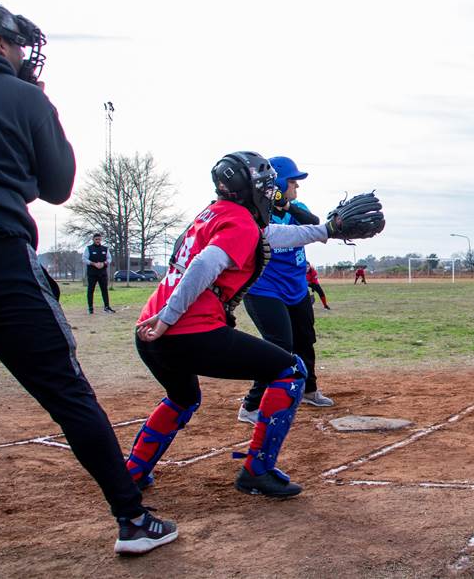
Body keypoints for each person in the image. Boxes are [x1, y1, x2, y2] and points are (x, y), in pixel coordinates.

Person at [0, 2, 176, 554]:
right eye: (17, 45)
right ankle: (132, 520)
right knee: (67, 392)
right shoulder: (21, 96)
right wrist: (33, 105)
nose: (22, 54)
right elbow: (57, 185)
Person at [127, 151, 382, 500]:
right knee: (291, 370)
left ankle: (134, 471)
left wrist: (326, 231)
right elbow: (205, 264)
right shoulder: (240, 222)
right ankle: (256, 470)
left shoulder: (213, 214)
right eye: (264, 187)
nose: (269, 193)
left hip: (152, 331)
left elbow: (271, 235)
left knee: (183, 397)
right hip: (185, 330)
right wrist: (169, 318)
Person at [238, 156, 335, 421]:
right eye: (292, 183)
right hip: (265, 290)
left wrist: (287, 204)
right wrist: (272, 204)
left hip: (297, 288)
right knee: (279, 346)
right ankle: (250, 406)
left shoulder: (296, 208)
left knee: (305, 342)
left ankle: (308, 390)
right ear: (278, 184)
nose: (297, 187)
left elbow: (314, 222)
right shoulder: (256, 213)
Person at [85, 232, 115, 314]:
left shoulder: (105, 249)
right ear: (93, 240)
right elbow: (85, 259)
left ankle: (107, 307)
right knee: (91, 290)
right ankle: (90, 308)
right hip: (92, 273)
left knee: (104, 290)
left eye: (99, 239)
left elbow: (109, 259)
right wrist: (94, 264)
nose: (98, 241)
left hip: (102, 273)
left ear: (101, 239)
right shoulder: (88, 248)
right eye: (96, 239)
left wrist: (104, 263)